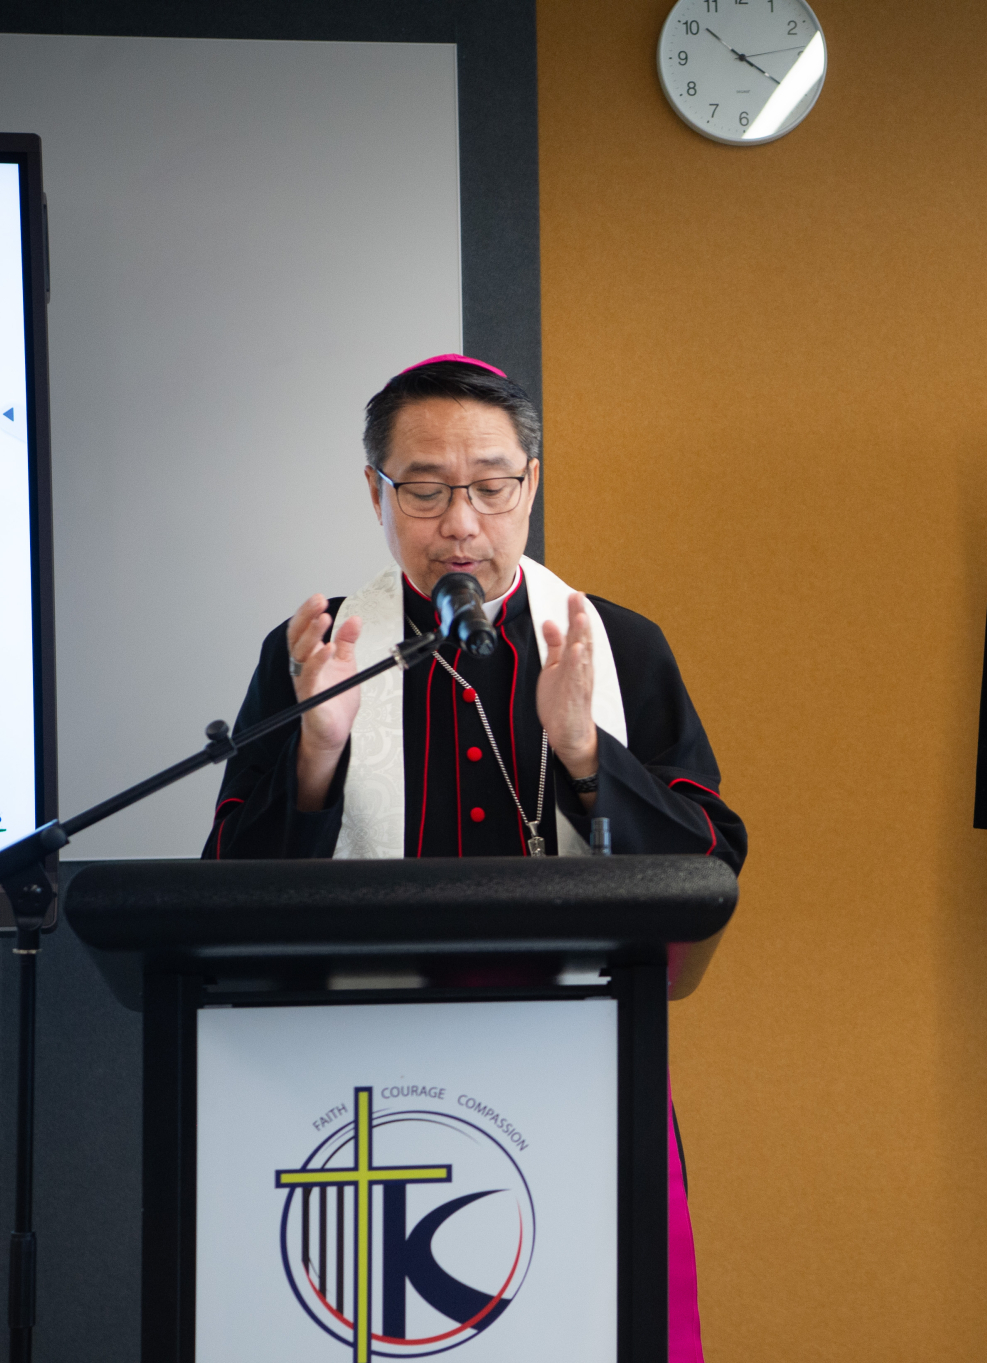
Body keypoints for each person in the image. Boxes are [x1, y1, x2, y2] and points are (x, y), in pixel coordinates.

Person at [203, 354, 737, 1359]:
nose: (461, 523)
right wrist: (316, 752)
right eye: (425, 489)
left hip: (582, 1062)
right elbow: (228, 889)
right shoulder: (317, 654)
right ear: (375, 493)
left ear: (530, 484)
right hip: (360, 1080)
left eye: (490, 487)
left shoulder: (616, 646)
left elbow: (709, 864)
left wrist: (587, 753)